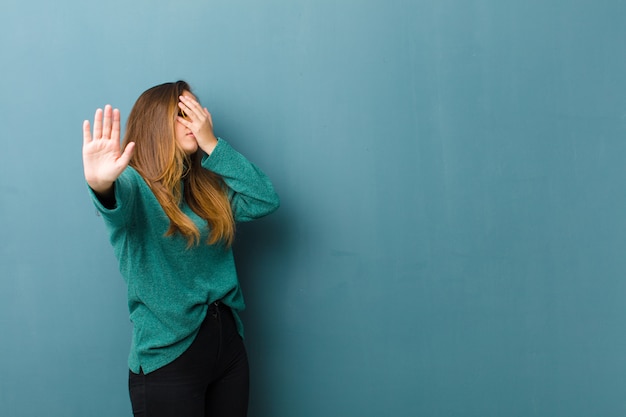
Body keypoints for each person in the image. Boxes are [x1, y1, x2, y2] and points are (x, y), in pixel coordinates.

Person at [82, 80, 280, 417]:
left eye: (195, 111)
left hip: (226, 346)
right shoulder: (134, 184)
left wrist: (213, 145)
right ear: (156, 123)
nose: (194, 121)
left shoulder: (205, 188)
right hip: (169, 355)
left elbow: (264, 199)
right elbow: (114, 197)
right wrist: (100, 184)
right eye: (180, 114)